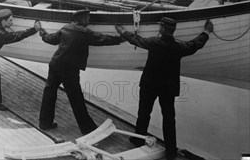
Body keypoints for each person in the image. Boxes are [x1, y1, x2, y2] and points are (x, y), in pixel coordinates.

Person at [115, 18, 213, 159]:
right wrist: (207, 31)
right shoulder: (178, 48)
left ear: (161, 28)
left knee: (144, 113)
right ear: (173, 30)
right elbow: (195, 44)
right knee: (168, 119)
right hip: (168, 88)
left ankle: (137, 139)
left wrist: (121, 30)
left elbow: (136, 40)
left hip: (149, 85)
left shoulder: (154, 43)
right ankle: (171, 151)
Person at [38, 9, 123, 134]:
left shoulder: (66, 28)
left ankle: (44, 123)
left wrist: (41, 32)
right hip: (69, 68)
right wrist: (121, 39)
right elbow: (103, 39)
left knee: (49, 92)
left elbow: (51, 39)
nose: (89, 21)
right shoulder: (85, 32)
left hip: (55, 63)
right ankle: (87, 128)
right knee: (76, 98)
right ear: (82, 19)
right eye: (87, 18)